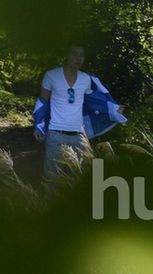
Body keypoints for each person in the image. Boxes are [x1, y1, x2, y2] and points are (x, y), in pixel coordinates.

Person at [33, 45, 126, 183]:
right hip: (55, 135)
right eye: (74, 54)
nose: (78, 58)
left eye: (81, 55)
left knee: (77, 181)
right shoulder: (51, 75)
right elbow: (43, 102)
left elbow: (96, 100)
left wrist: (112, 109)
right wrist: (38, 125)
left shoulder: (86, 79)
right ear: (67, 55)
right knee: (52, 180)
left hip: (79, 137)